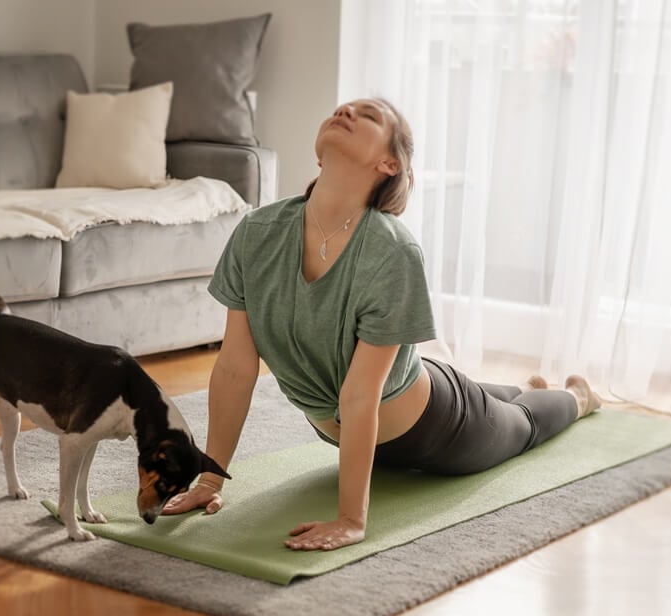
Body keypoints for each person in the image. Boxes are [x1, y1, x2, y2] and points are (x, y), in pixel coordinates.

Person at [162, 98, 602, 552]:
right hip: (347, 427)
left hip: (436, 428)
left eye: (367, 115)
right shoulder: (256, 234)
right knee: (498, 402)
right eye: (341, 109)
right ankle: (515, 389)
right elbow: (235, 367)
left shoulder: (391, 252)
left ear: (390, 163)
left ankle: (576, 397)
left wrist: (352, 518)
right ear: (319, 155)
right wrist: (210, 477)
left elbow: (360, 394)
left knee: (522, 426)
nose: (345, 112)